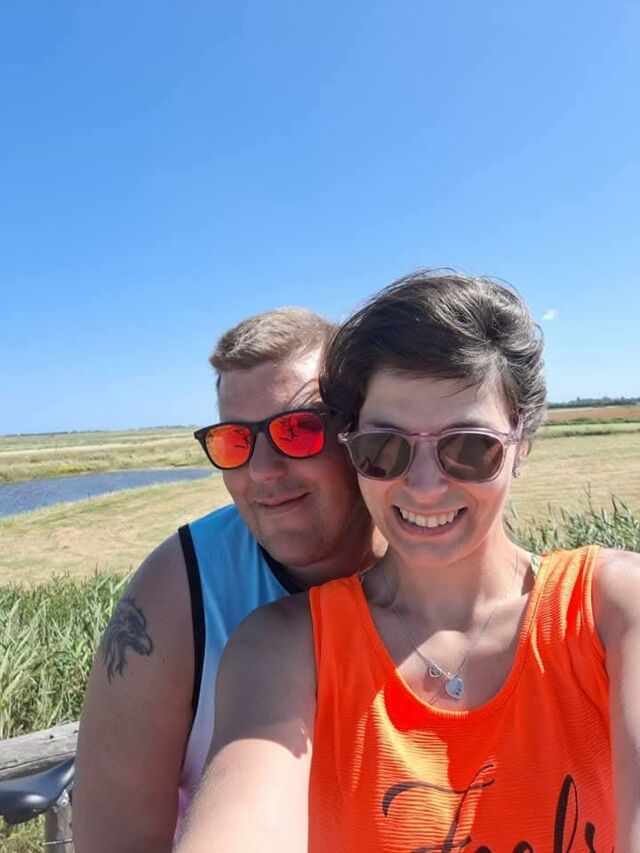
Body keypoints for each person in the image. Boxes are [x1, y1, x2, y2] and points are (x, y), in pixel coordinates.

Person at [177, 270, 640, 851]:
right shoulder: (287, 651)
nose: (423, 485)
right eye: (384, 448)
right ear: (352, 448)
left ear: (520, 443)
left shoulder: (611, 611)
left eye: (469, 447)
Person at [72, 307, 383, 852]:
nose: (261, 471)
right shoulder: (177, 594)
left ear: (356, 430)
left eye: (299, 430)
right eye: (235, 441)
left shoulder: (431, 553)